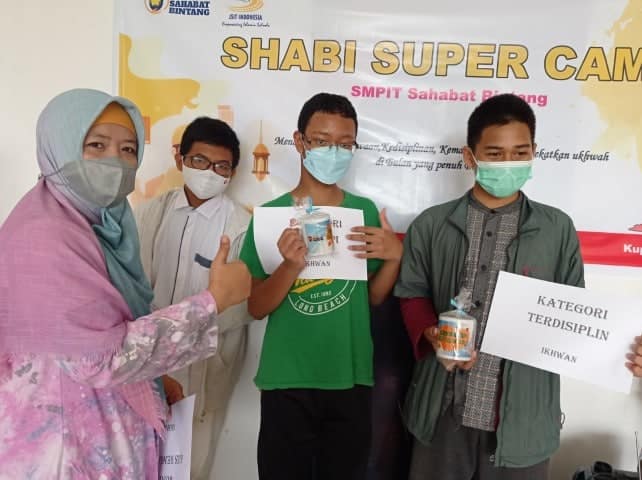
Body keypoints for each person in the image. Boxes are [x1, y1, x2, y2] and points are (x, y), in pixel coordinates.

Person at [0, 89, 251, 479]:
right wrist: (213, 301)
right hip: (64, 446)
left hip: (109, 426)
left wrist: (151, 378)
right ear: (59, 145)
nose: (115, 161)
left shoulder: (106, 224)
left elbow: (109, 323)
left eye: (128, 149)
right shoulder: (44, 237)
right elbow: (97, 358)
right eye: (96, 145)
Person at [395, 93, 584, 480]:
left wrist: (618, 350)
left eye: (520, 153)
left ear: (534, 153)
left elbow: (573, 316)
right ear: (470, 157)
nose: (508, 163)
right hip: (442, 412)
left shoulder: (557, 229)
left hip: (523, 421)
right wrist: (431, 333)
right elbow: (412, 293)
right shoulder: (431, 224)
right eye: (495, 154)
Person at [239, 92, 403, 480]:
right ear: (300, 142)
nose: (335, 152)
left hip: (350, 374)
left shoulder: (363, 211)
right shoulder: (269, 217)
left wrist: (395, 257)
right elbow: (256, 307)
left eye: (345, 144)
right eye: (322, 141)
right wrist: (289, 267)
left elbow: (373, 297)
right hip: (286, 379)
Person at [135, 116, 251, 479]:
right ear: (180, 158)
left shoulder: (242, 226)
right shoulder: (149, 213)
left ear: (232, 172)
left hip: (203, 365)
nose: (209, 173)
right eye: (199, 160)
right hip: (146, 360)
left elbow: (240, 306)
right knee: (138, 460)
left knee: (191, 465)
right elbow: (131, 287)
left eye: (221, 166)